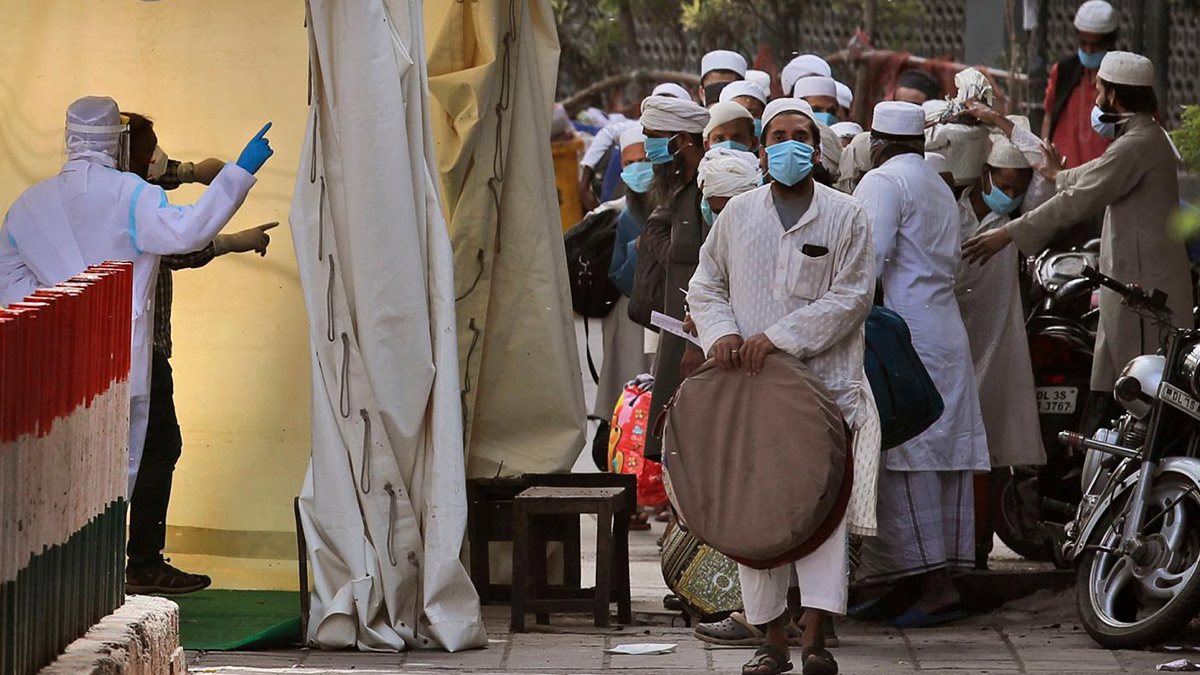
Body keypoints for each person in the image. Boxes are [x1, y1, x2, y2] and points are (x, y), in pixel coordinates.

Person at [689, 97, 879, 675]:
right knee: (756, 512)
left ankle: (816, 637)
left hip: (825, 391)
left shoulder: (847, 216)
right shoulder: (736, 215)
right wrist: (720, 332)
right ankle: (770, 638)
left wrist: (776, 337)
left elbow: (853, 297)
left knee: (822, 513)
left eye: (801, 134)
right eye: (778, 135)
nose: (789, 144)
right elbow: (706, 285)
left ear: (815, 149)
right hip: (750, 393)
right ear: (762, 148)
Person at [0, 96, 272, 500]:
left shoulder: (27, 206)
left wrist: (64, 311)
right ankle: (116, 559)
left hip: (50, 364)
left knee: (55, 483)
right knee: (113, 476)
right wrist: (238, 174)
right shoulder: (131, 194)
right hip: (121, 360)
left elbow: (10, 289)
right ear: (118, 141)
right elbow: (187, 233)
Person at [964, 52, 1193, 430]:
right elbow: (1067, 175)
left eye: (1100, 89)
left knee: (1133, 398)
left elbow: (1074, 198)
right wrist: (1002, 123)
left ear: (1115, 96)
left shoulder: (1137, 144)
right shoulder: (1141, 138)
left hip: (1144, 297)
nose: (1096, 98)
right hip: (1131, 290)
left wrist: (1006, 234)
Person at [118, 112, 279, 593]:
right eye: (151, 148)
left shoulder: (115, 184)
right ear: (125, 152)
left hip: (126, 348)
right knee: (156, 448)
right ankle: (142, 563)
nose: (159, 158)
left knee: (135, 452)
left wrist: (191, 171)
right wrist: (232, 240)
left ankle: (125, 561)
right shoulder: (126, 200)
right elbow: (177, 245)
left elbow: (154, 170)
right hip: (136, 349)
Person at [852, 101, 988, 627]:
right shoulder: (935, 180)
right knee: (940, 453)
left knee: (909, 452)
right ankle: (918, 584)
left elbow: (866, 259)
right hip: (944, 328)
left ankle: (932, 587)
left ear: (878, 141)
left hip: (904, 332)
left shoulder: (884, 181)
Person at [637, 95, 710, 463]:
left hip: (698, 339)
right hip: (677, 333)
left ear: (681, 140)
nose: (648, 147)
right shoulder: (681, 190)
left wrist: (695, 344)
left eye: (653, 137)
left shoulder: (707, 191)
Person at [1042, 1, 1118, 168]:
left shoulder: (1123, 78)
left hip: (1104, 177)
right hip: (1063, 173)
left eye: (1096, 45)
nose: (1089, 51)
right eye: (1084, 44)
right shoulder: (1063, 71)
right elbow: (1049, 115)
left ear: (1110, 42)